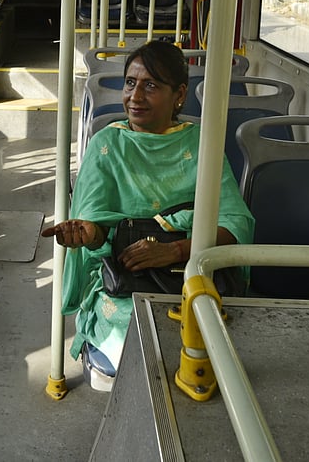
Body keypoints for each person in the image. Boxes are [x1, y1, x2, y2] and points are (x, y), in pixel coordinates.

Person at [42, 41, 254, 391]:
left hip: (192, 272)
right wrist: (89, 233)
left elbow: (235, 223)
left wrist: (174, 250)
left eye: (150, 86)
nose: (135, 96)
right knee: (138, 355)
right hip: (127, 277)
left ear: (179, 94)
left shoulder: (202, 145)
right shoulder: (107, 146)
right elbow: (99, 231)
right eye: (129, 83)